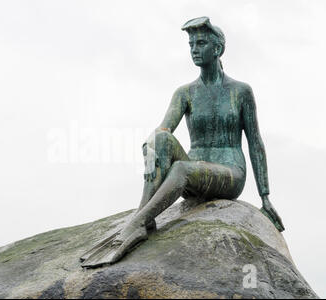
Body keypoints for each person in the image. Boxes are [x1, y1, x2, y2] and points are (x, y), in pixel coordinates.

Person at [80, 17, 284, 268]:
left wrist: (265, 196)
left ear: (218, 48)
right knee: (161, 141)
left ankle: (137, 222)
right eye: (191, 45)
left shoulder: (241, 92)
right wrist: (151, 146)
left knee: (181, 169)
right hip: (193, 172)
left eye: (201, 43)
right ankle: (144, 219)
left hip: (230, 173)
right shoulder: (185, 92)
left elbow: (255, 143)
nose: (194, 50)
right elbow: (163, 129)